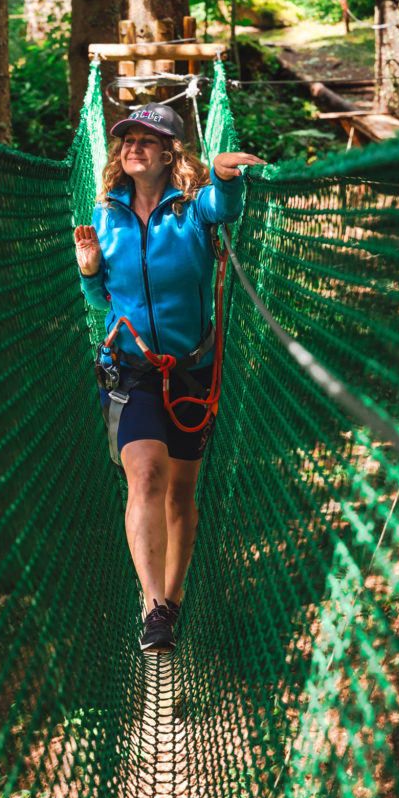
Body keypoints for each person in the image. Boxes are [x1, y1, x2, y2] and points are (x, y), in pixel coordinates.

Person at [74, 102, 264, 652]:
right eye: (127, 138)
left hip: (191, 373)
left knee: (182, 493)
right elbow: (100, 298)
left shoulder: (192, 211)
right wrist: (89, 271)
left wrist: (226, 176)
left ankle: (171, 604)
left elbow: (223, 206)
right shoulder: (105, 213)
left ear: (168, 152)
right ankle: (152, 605)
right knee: (147, 477)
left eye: (147, 139)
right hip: (129, 371)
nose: (134, 146)